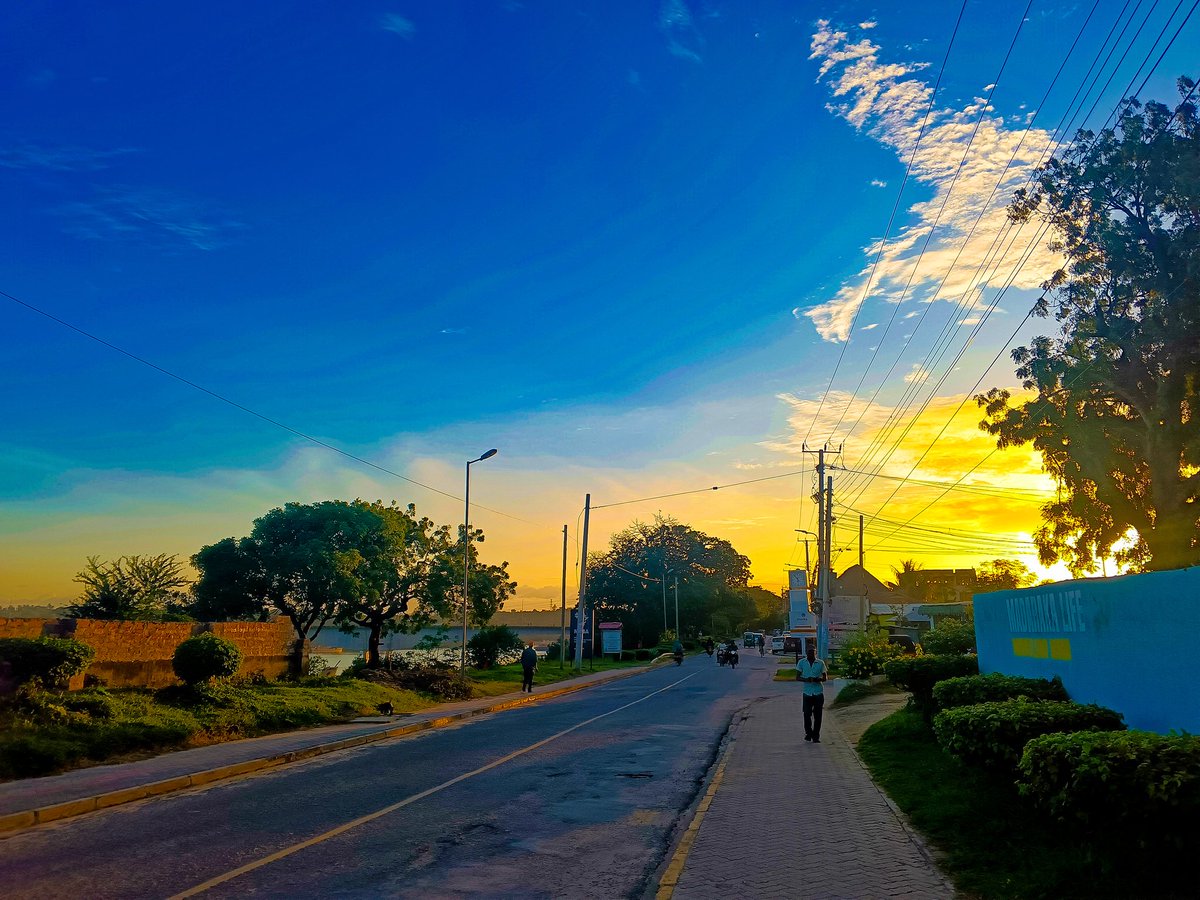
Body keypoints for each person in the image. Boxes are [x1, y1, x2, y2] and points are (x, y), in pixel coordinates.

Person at [796, 642, 828, 742]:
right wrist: (806, 679)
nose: (811, 653)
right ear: (806, 652)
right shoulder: (802, 662)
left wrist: (818, 679)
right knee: (807, 714)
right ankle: (808, 733)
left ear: (816, 652)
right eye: (809, 652)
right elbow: (797, 677)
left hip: (818, 692)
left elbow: (825, 677)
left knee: (818, 716)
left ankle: (816, 736)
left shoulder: (820, 663)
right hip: (807, 692)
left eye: (813, 652)